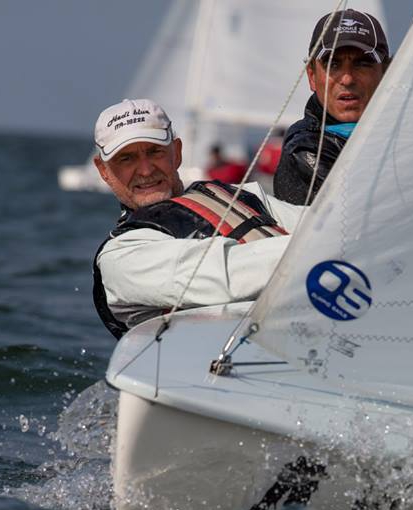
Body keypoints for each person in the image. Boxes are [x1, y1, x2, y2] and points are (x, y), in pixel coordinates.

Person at [91, 98, 304, 338]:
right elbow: (226, 275)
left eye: (155, 152)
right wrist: (324, 248)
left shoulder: (245, 195)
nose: (145, 170)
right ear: (103, 171)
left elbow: (323, 223)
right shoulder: (121, 258)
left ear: (177, 153)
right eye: (126, 159)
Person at [273, 9, 389, 205]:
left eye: (362, 63)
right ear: (312, 76)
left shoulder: (406, 131)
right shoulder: (306, 151)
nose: (347, 78)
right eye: (333, 64)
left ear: (387, 72)